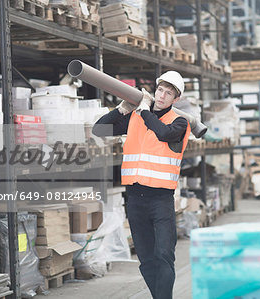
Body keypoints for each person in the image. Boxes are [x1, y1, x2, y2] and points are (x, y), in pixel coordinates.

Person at [92, 71, 191, 299]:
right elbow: (99, 130)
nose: (162, 96)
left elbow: (163, 133)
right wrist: (120, 110)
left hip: (161, 200)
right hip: (136, 199)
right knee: (146, 258)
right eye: (160, 90)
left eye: (168, 93)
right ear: (155, 91)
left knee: (164, 254)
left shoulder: (179, 122)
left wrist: (144, 110)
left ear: (175, 99)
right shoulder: (135, 118)